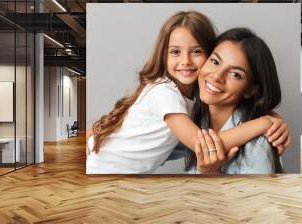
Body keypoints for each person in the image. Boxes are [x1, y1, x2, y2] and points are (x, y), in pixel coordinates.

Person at [86, 11, 290, 174]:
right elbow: (200, 144)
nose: (185, 61)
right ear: (163, 55)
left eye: (196, 52)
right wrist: (264, 122)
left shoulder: (194, 104)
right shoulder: (165, 93)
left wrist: (270, 117)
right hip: (105, 170)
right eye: (175, 52)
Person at [184, 28, 288, 174]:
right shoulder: (193, 119)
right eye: (215, 61)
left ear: (250, 90)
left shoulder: (257, 146)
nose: (216, 76)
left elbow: (263, 197)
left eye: (235, 74)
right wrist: (267, 122)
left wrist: (211, 175)